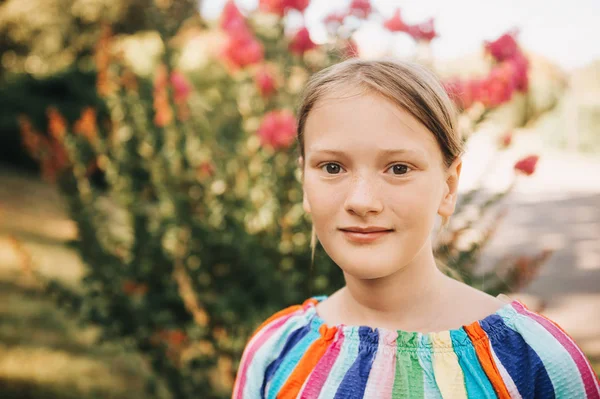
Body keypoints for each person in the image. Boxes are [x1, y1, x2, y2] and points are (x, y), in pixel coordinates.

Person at [231, 58, 600, 398]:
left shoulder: (536, 363)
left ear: (448, 187)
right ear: (304, 183)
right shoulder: (273, 353)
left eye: (398, 168)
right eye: (332, 167)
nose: (362, 201)